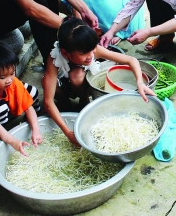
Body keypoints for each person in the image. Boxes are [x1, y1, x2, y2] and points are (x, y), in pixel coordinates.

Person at [42, 17, 156, 145]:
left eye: (92, 50)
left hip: (80, 79)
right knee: (46, 83)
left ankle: (84, 100)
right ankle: (65, 104)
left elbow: (131, 60)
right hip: (63, 81)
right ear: (65, 53)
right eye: (84, 53)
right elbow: (48, 101)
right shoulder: (54, 59)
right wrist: (67, 132)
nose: (91, 55)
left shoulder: (92, 50)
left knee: (77, 76)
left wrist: (140, 83)